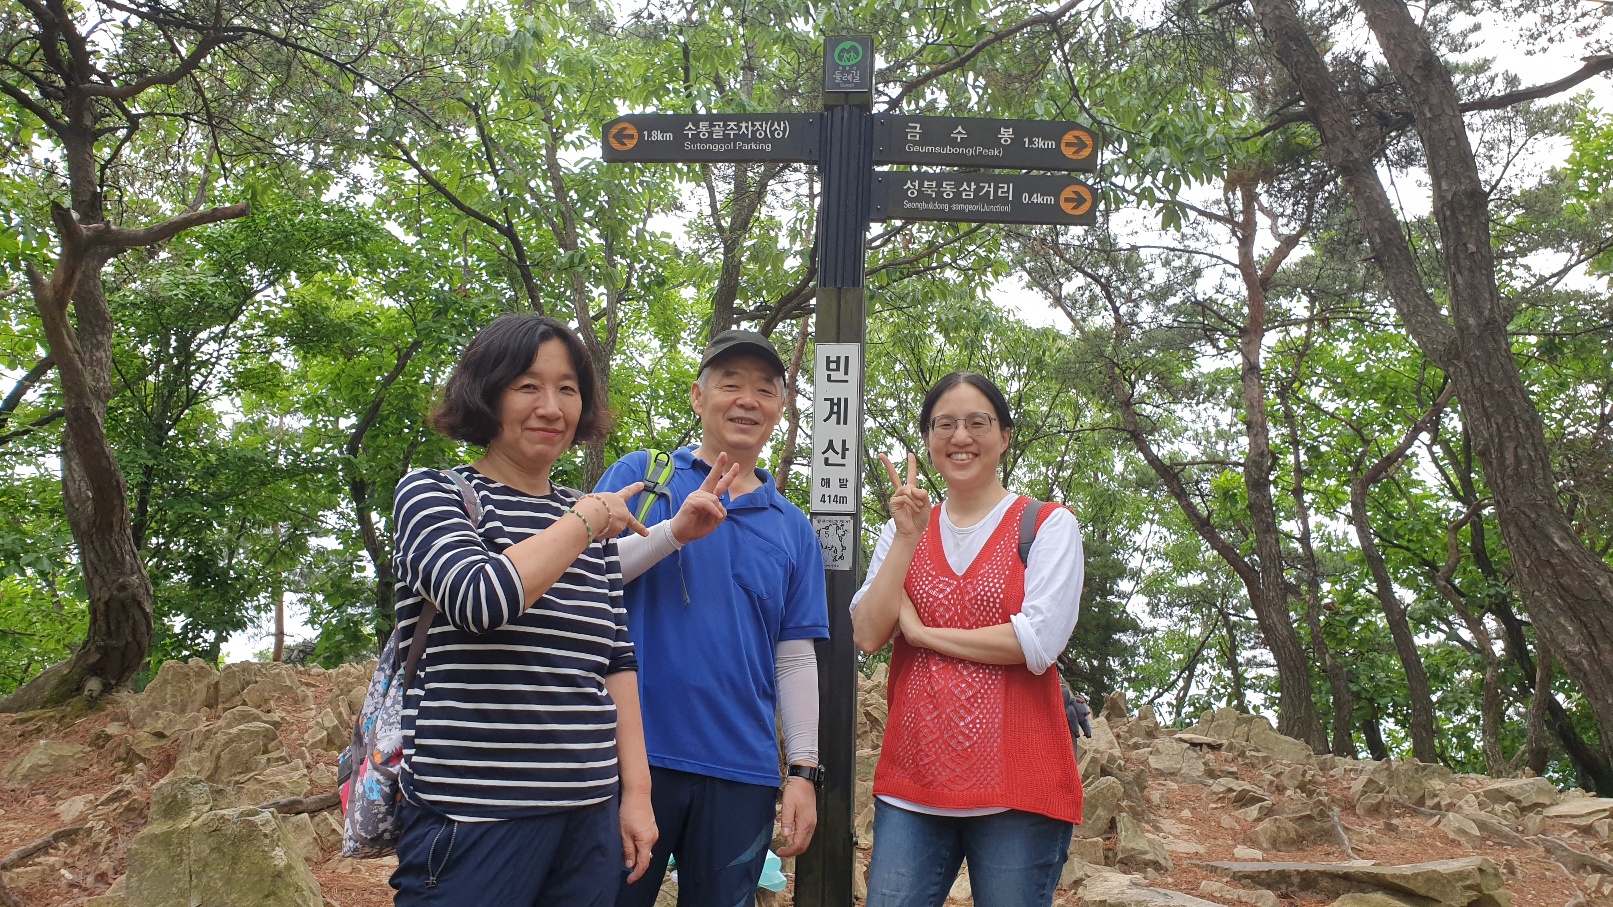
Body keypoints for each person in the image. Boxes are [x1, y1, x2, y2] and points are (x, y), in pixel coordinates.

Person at [389, 314, 662, 907]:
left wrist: (636, 795)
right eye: (528, 386)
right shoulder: (434, 493)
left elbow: (616, 661)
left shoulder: (587, 518)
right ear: (487, 393)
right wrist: (585, 521)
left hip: (589, 816)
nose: (551, 408)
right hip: (473, 816)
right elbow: (479, 598)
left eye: (568, 389)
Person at [596, 329, 829, 907]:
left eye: (765, 389)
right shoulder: (643, 478)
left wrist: (803, 771)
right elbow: (583, 576)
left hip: (742, 771)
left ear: (780, 409)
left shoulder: (793, 528)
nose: (747, 400)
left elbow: (795, 658)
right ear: (699, 397)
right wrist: (673, 533)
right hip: (631, 759)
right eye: (731, 384)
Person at [850, 371, 1086, 907]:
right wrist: (907, 538)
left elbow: (1035, 643)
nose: (961, 437)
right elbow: (867, 632)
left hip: (1018, 791)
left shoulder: (1047, 525)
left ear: (1004, 436)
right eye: (945, 425)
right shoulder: (903, 528)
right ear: (928, 439)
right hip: (913, 784)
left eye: (978, 423)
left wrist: (923, 634)